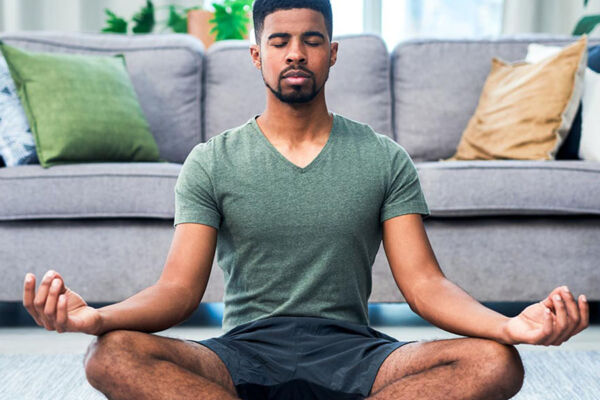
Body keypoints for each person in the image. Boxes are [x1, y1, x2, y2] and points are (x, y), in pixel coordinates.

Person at [22, 1, 590, 399]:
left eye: (311, 40)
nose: (296, 53)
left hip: (356, 355)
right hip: (241, 352)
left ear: (332, 53)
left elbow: (426, 286)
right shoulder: (212, 161)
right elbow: (178, 291)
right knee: (111, 355)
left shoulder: (384, 157)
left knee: (494, 362)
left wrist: (509, 327)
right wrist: (97, 317)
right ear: (256, 55)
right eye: (280, 41)